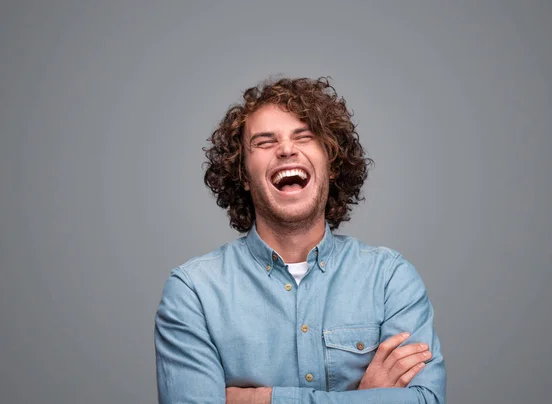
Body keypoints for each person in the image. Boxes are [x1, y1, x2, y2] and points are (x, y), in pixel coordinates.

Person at [154, 77, 446, 403]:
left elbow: (425, 400)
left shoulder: (390, 279)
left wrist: (261, 400)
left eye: (304, 137)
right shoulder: (193, 292)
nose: (287, 149)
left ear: (331, 164)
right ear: (244, 176)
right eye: (265, 142)